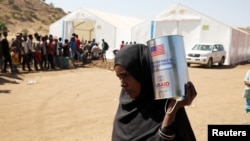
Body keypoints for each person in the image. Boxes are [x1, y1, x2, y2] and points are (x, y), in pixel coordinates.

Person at [112, 44, 197, 141]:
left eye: (125, 76)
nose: (122, 84)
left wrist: (170, 113)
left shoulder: (166, 106)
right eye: (119, 77)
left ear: (143, 73)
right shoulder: (125, 107)